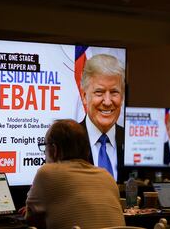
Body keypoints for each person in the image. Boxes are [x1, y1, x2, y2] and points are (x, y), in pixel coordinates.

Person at [25, 119, 125, 229]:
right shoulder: (107, 176)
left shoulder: (47, 173)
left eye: (45, 146)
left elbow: (31, 220)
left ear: (54, 149)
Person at [79, 53, 125, 181]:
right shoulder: (68, 143)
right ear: (84, 96)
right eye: (99, 92)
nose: (107, 102)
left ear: (122, 97)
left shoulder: (132, 142)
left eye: (114, 92)